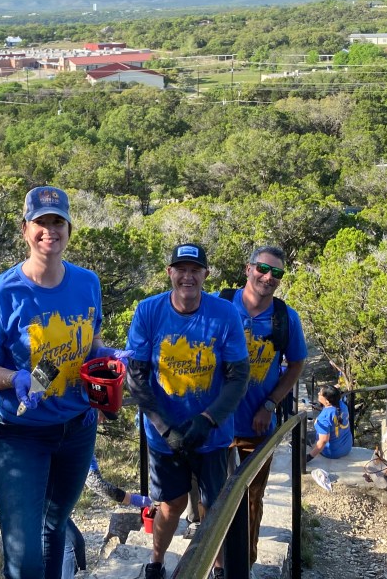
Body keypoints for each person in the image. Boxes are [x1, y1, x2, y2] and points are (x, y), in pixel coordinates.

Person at [0, 186, 122, 579]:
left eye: (58, 222)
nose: (49, 231)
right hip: (22, 435)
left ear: (70, 228)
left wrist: (109, 357)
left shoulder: (87, 283)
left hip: (78, 431)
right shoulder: (2, 292)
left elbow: (90, 344)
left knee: (54, 529)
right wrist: (14, 377)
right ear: (25, 229)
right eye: (41, 222)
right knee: (24, 558)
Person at [126, 243, 249, 579]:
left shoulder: (225, 315)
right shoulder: (148, 312)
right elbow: (136, 377)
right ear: (170, 273)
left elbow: (239, 376)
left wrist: (208, 419)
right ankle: (156, 560)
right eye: (181, 269)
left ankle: (218, 567)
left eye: (195, 270)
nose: (187, 276)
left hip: (212, 433)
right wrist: (165, 428)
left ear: (205, 275)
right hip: (163, 433)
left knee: (214, 505)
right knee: (171, 504)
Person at [227, 245, 308, 568]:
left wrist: (271, 404)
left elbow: (297, 363)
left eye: (276, 273)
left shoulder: (285, 318)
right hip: (215, 424)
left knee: (251, 499)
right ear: (248, 269)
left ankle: (243, 564)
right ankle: (219, 564)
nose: (268, 277)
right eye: (262, 269)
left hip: (257, 427)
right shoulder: (221, 305)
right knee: (213, 499)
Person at [62, 453, 153, 579]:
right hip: (38, 501)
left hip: (42, 499)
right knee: (72, 546)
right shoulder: (79, 436)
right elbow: (96, 483)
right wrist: (133, 499)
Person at [306, 385, 352, 462]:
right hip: (347, 447)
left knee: (305, 436)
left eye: (320, 393)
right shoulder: (343, 405)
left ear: (327, 401)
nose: (318, 394)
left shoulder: (323, 418)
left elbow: (323, 441)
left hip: (332, 452)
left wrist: (309, 457)